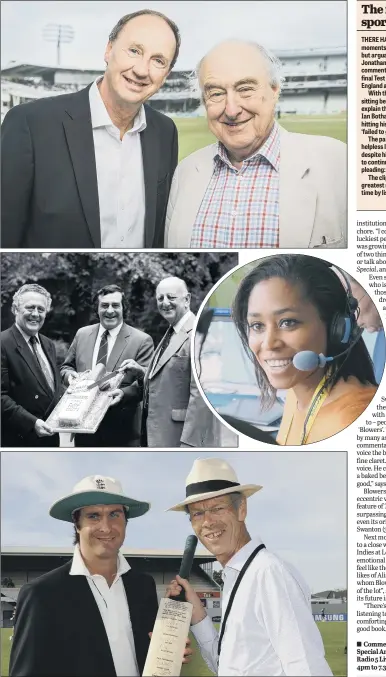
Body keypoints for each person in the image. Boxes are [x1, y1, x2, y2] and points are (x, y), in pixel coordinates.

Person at [1, 9, 179, 248]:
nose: (141, 70)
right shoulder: (29, 124)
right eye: (134, 50)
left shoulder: (165, 132)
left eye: (158, 60)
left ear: (166, 74)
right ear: (108, 50)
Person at [165, 40, 346, 249]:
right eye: (216, 94)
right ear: (204, 101)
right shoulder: (185, 172)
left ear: (275, 91)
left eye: (245, 89)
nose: (231, 110)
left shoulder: (338, 162)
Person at [9, 474, 192, 676]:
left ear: (125, 522)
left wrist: (165, 653)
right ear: (77, 525)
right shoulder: (40, 594)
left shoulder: (143, 585)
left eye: (114, 514)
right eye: (93, 516)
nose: (106, 527)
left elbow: (140, 656)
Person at [166, 457, 333, 676]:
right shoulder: (238, 576)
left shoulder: (268, 572)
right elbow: (227, 665)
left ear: (241, 509)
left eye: (217, 508)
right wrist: (197, 614)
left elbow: (306, 667)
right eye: (197, 513)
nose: (207, 521)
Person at [231, 254, 377, 445]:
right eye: (257, 325)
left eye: (288, 322)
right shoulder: (297, 393)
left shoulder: (353, 414)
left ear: (337, 328)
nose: (268, 344)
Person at [114, 276, 225, 447]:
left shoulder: (201, 334)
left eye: (171, 297)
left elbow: (203, 397)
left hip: (181, 440)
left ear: (187, 299)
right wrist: (141, 375)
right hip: (159, 437)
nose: (165, 303)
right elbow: (168, 381)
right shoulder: (171, 333)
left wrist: (190, 444)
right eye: (160, 298)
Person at [60, 284, 154, 447]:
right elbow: (65, 368)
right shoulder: (82, 334)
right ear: (97, 309)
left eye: (115, 305)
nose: (110, 310)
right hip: (84, 431)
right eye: (104, 305)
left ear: (123, 308)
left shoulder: (142, 340)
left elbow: (148, 382)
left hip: (122, 432)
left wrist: (123, 393)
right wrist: (70, 377)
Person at [1, 283, 62, 447]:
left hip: (51, 438)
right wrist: (32, 423)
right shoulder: (2, 343)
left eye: (41, 309)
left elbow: (50, 389)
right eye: (30, 308)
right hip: (18, 440)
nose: (35, 314)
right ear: (15, 309)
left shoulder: (48, 344)